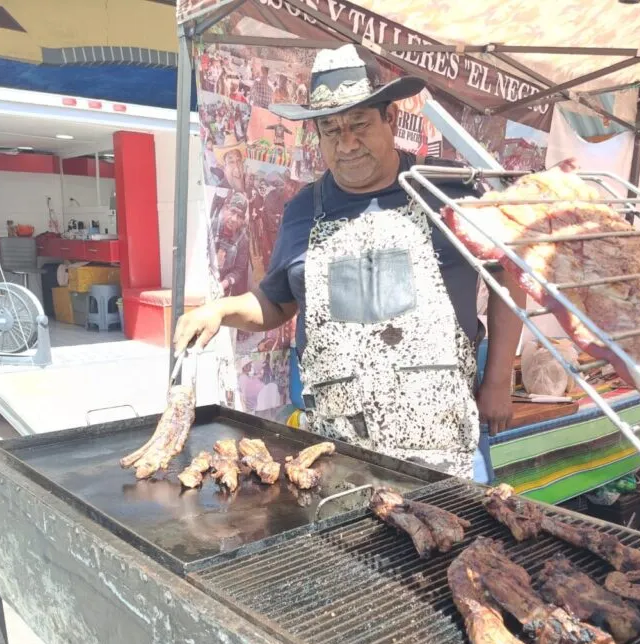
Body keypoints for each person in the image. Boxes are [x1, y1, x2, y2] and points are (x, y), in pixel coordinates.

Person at [175, 44, 523, 480]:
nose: (347, 143)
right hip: (335, 451)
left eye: (359, 124)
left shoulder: (449, 192)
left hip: (439, 446)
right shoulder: (303, 209)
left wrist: (497, 381)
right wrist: (221, 310)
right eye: (331, 130)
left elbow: (507, 279)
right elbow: (277, 303)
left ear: (390, 119)